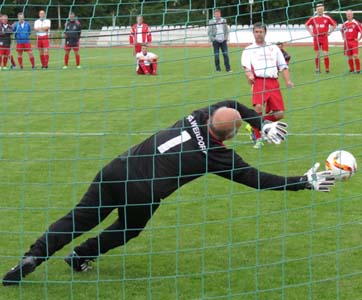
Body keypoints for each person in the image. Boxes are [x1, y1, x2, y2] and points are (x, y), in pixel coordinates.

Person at [2, 100, 335, 286]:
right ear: (233, 135)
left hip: (117, 168)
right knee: (128, 229)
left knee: (77, 218)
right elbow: (258, 179)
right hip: (142, 191)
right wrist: (304, 181)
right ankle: (80, 256)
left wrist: (259, 122)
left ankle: (33, 256)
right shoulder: (218, 156)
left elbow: (230, 104)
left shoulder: (196, 116)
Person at [241, 22, 293, 149]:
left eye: (261, 32)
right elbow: (246, 67)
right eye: (256, 32)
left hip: (273, 82)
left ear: (265, 33)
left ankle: (254, 125)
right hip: (259, 81)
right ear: (253, 33)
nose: (259, 34)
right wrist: (250, 76)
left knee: (279, 114)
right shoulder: (248, 49)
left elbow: (283, 66)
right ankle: (258, 139)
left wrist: (288, 81)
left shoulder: (274, 48)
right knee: (258, 107)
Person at [305, 3, 337, 74]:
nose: (320, 10)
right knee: (317, 54)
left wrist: (330, 32)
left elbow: (334, 25)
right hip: (316, 38)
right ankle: (317, 68)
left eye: (321, 9)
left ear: (323, 9)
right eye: (318, 9)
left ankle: (327, 69)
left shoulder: (327, 18)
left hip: (324, 37)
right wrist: (311, 32)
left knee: (325, 53)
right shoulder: (313, 18)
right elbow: (306, 25)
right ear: (316, 10)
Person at [341, 10, 362, 74]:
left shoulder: (356, 23)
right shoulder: (345, 24)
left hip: (354, 42)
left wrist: (359, 39)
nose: (349, 16)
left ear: (352, 15)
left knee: (355, 55)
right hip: (347, 42)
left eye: (350, 14)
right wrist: (343, 38)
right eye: (347, 15)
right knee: (349, 56)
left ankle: (358, 70)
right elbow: (342, 31)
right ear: (346, 16)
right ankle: (352, 70)